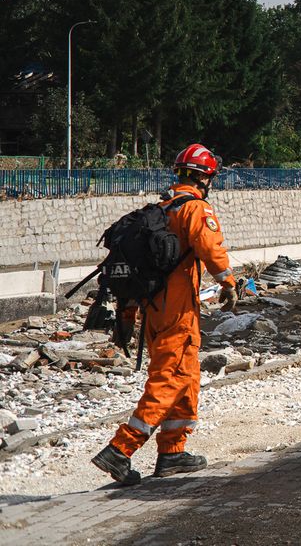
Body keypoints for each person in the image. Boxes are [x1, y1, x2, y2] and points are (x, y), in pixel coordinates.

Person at [92, 144, 244, 484]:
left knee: (186, 377)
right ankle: (120, 450)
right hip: (177, 311)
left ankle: (172, 452)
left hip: (153, 310)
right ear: (206, 178)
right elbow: (211, 248)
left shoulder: (159, 211)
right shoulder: (195, 210)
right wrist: (228, 283)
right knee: (171, 378)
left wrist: (127, 314)